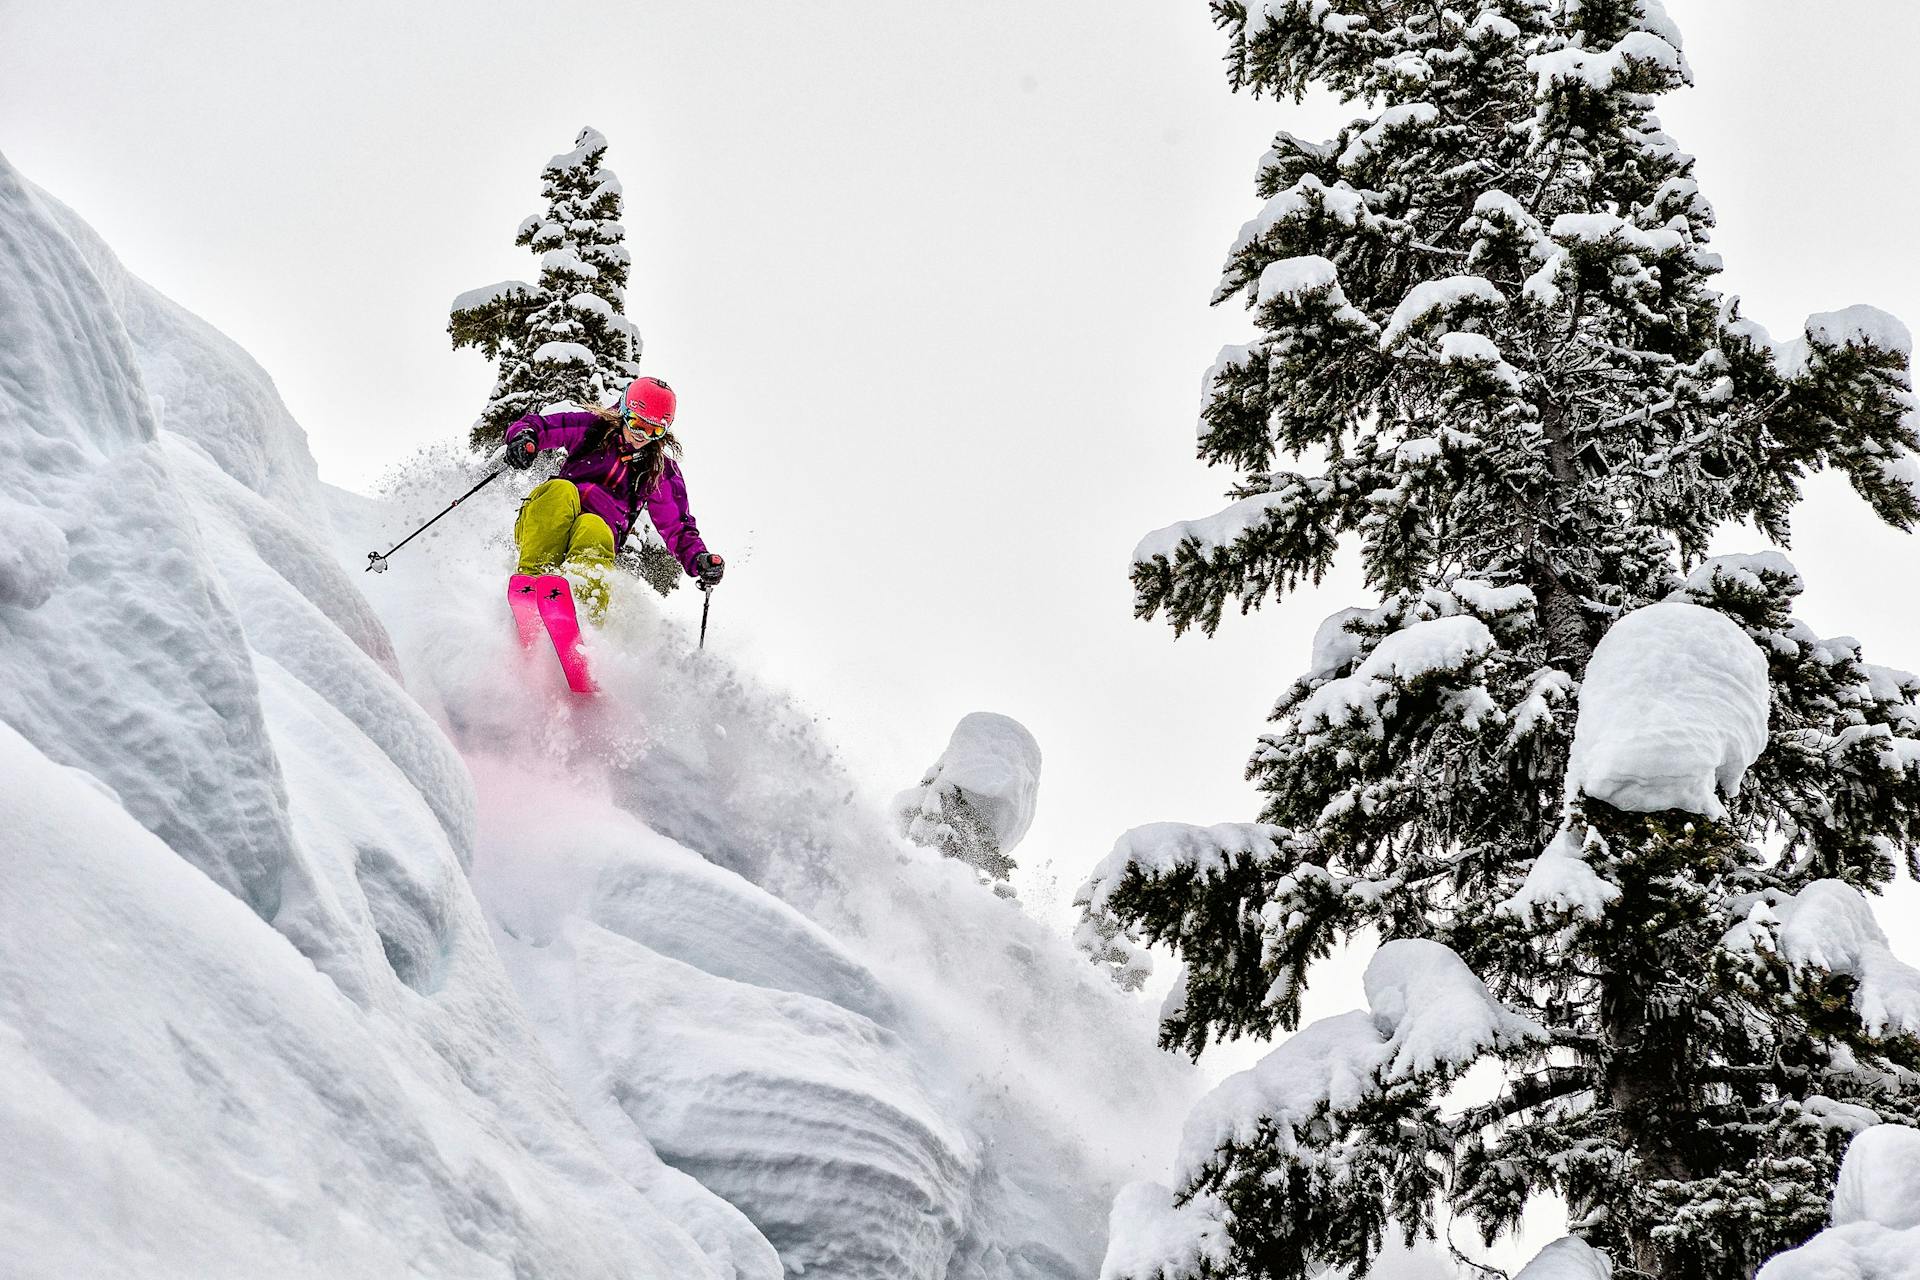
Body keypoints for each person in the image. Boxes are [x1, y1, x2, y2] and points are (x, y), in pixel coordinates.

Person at [503, 375, 724, 621]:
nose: (642, 435)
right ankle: (531, 580)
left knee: (595, 526)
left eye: (654, 430)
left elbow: (678, 526)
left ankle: (581, 613)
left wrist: (698, 558)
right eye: (637, 423)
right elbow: (540, 426)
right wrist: (525, 437)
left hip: (592, 539)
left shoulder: (659, 470)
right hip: (549, 524)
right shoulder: (591, 430)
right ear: (623, 410)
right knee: (560, 490)